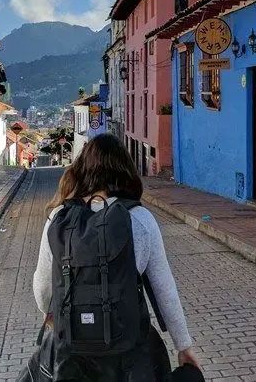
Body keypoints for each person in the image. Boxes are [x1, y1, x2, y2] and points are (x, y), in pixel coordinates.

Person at [31, 133, 200, 380]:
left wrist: (54, 321)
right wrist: (183, 347)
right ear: (125, 170)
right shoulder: (141, 219)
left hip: (73, 355)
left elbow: (42, 288)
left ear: (82, 170)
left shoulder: (59, 217)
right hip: (129, 353)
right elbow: (165, 291)